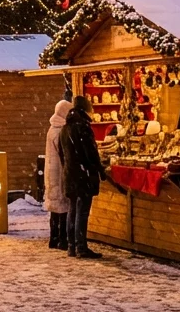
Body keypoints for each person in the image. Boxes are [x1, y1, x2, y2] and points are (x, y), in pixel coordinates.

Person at [59, 95, 106, 259]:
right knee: (82, 211)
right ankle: (81, 247)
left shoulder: (66, 128)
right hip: (83, 175)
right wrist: (98, 169)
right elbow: (90, 153)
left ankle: (72, 246)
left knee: (73, 210)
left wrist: (69, 168)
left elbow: (62, 154)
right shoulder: (83, 128)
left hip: (71, 174)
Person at [44, 100, 73, 251]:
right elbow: (64, 154)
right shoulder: (60, 131)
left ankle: (53, 237)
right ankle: (62, 238)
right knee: (62, 206)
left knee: (55, 208)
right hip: (59, 173)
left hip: (51, 172)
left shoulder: (52, 128)